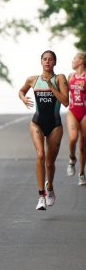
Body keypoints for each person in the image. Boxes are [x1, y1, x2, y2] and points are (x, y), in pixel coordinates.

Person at [18, 50, 69, 210]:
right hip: (37, 123)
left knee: (49, 162)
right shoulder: (33, 79)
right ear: (41, 62)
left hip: (55, 125)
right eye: (45, 59)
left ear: (55, 62)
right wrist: (23, 98)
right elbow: (21, 90)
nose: (47, 62)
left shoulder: (60, 78)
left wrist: (51, 86)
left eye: (50, 59)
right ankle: (41, 196)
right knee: (40, 154)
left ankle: (50, 187)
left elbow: (66, 102)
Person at [66, 52, 86, 185]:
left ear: (81, 61)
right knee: (73, 137)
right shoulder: (70, 76)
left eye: (74, 58)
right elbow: (64, 93)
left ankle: (81, 174)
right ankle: (72, 159)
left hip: (84, 112)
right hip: (73, 111)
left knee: (83, 145)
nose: (72, 61)